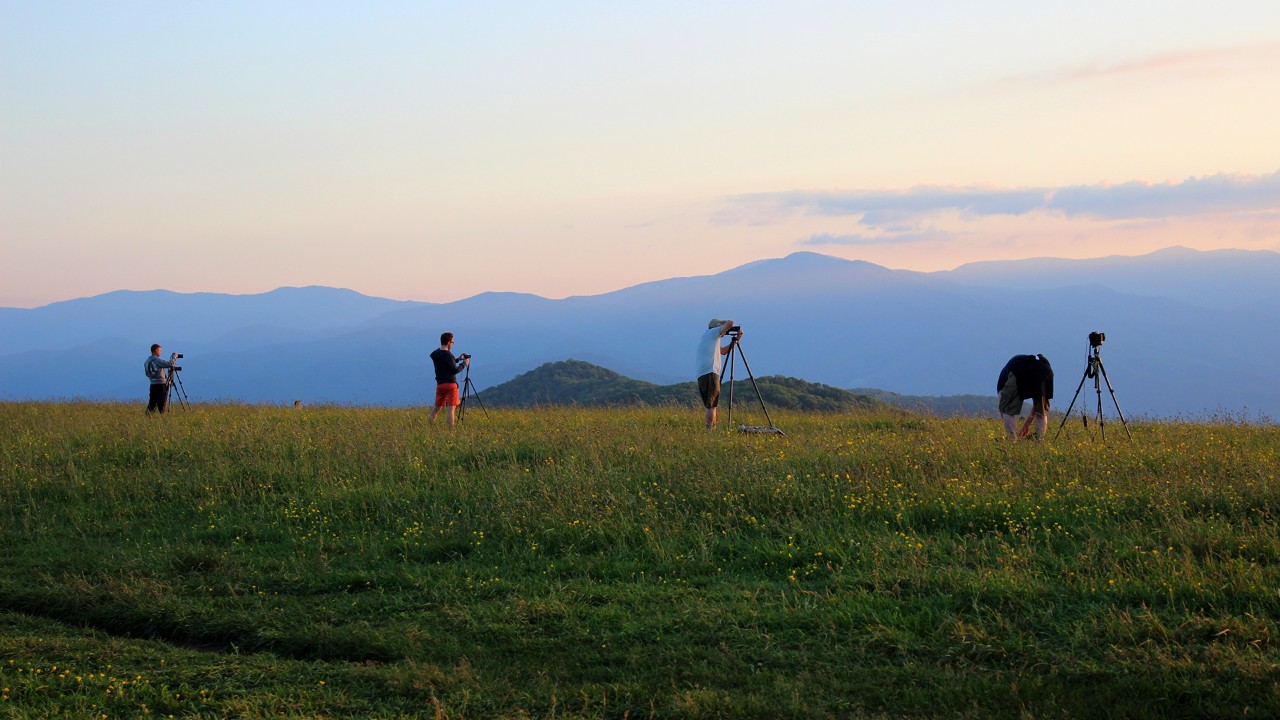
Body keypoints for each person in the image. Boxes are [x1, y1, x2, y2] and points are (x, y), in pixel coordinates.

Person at [997, 353, 1054, 440]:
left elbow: (1004, 409)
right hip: (1044, 368)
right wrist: (1026, 425)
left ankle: (1013, 440)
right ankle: (1040, 440)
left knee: (1007, 410)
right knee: (1041, 411)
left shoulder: (1001, 384)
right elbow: (1037, 406)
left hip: (1020, 369)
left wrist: (1009, 421)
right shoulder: (1008, 371)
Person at [695, 318, 737, 429]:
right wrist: (723, 324)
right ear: (715, 326)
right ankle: (710, 430)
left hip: (703, 374)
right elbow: (730, 323)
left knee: (710, 404)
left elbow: (723, 351)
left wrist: (736, 340)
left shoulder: (709, 338)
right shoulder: (713, 332)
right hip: (711, 373)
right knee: (712, 406)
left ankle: (711, 429)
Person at [428, 332, 470, 427]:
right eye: (452, 342)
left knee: (436, 408)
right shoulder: (448, 355)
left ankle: (430, 427)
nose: (452, 344)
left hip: (440, 385)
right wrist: (464, 364)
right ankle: (450, 431)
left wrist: (458, 359)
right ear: (448, 342)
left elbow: (446, 363)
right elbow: (454, 370)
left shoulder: (436, 354)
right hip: (450, 385)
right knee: (451, 410)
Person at [144, 343, 178, 414]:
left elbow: (147, 373)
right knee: (162, 402)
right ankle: (162, 416)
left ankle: (148, 415)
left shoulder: (147, 361)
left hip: (152, 384)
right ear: (156, 350)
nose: (160, 352)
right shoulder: (157, 360)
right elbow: (170, 364)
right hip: (161, 385)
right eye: (160, 350)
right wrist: (174, 357)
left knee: (152, 402)